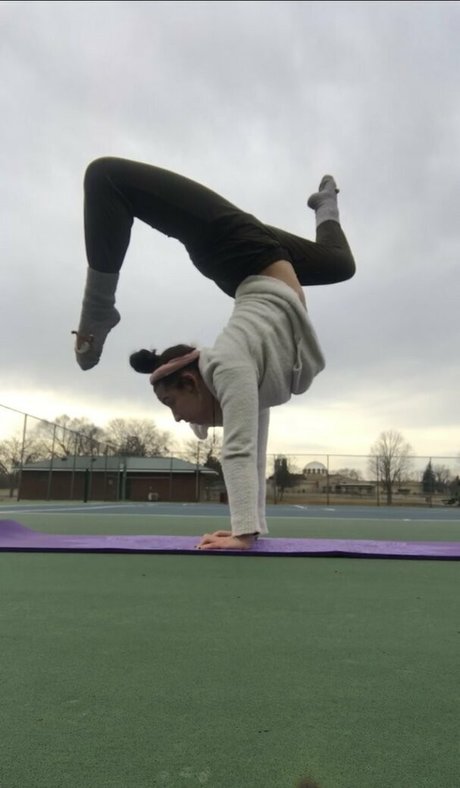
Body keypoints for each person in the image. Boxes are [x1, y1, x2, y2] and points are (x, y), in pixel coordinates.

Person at [73, 157, 356, 550]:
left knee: (106, 176)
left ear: (191, 381)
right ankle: (326, 205)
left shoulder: (228, 363)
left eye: (171, 402)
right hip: (270, 258)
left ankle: (98, 309)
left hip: (236, 250)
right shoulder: (252, 374)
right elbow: (254, 450)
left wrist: (242, 533)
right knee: (341, 264)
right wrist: (250, 529)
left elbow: (237, 449)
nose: (176, 417)